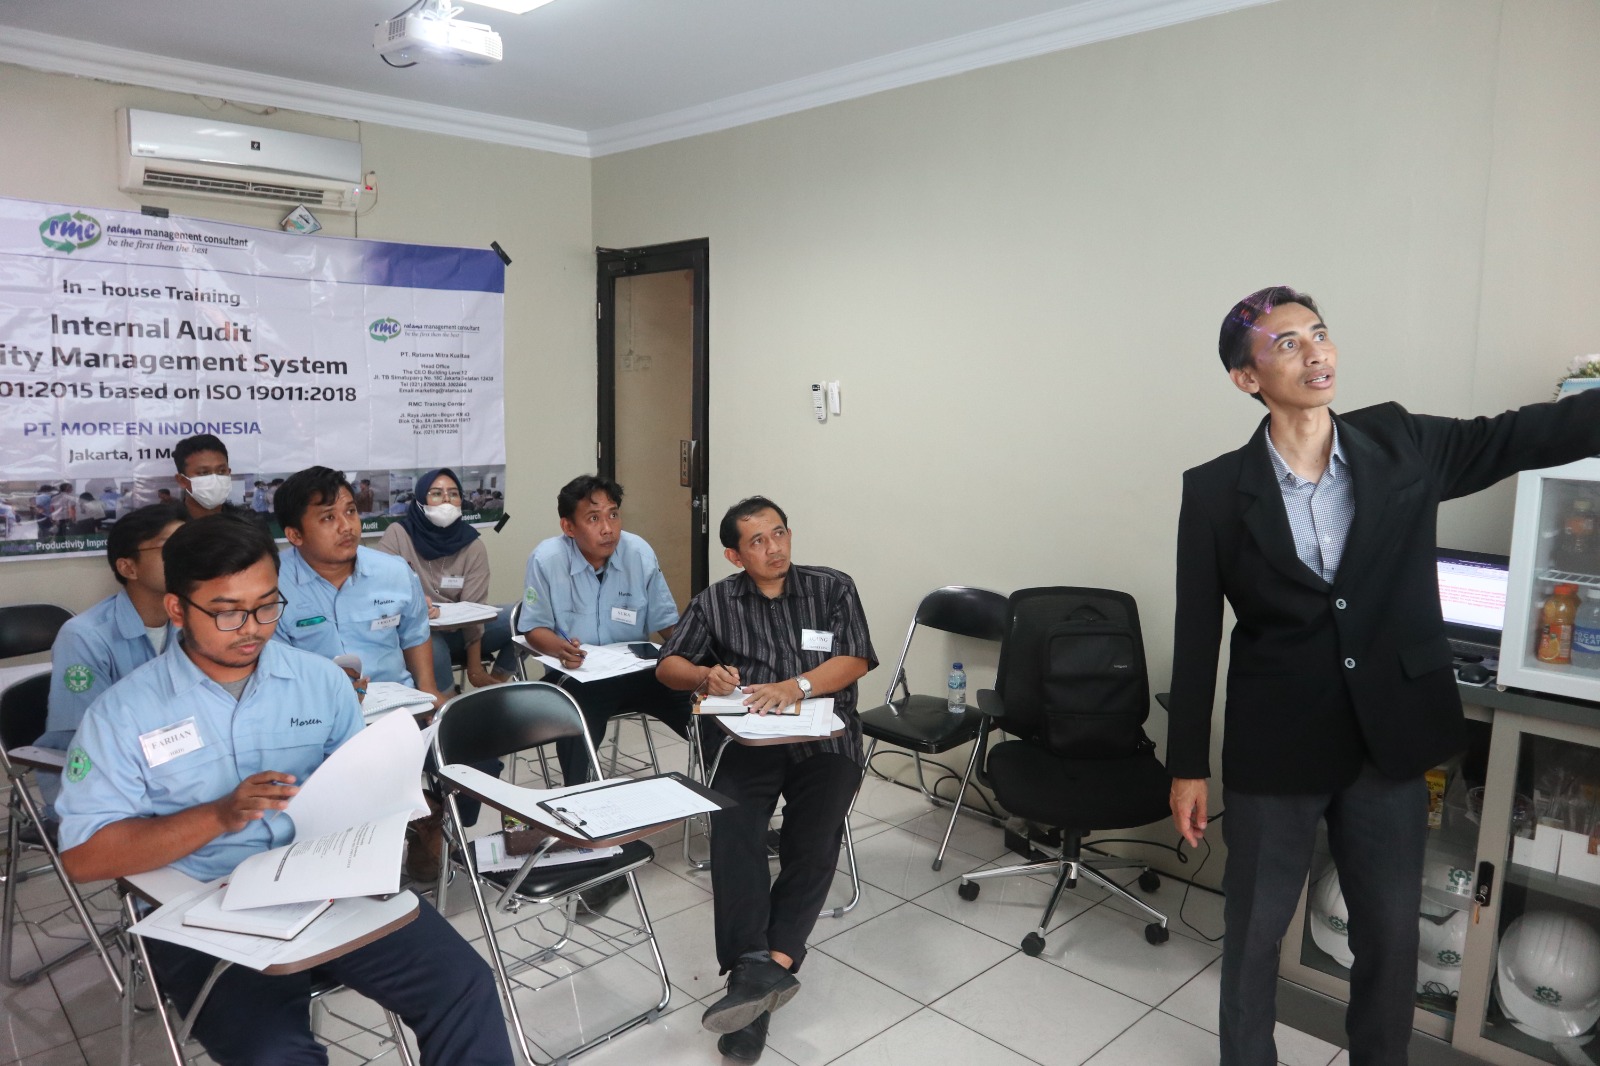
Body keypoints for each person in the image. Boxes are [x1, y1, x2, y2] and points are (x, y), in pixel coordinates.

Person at [1167, 286, 1600, 1066]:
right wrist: (1187, 765)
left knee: (1391, 939)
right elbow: (1197, 636)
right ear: (1247, 378)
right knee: (1255, 936)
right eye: (1287, 343)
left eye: (1319, 333)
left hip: (1387, 743)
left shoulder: (1399, 441)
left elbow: (1517, 436)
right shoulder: (1214, 491)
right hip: (1277, 748)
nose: (1315, 351)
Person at [55, 516, 514, 1066]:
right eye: (227, 612)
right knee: (276, 1056)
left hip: (328, 888)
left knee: (463, 987)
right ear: (177, 609)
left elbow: (359, 793)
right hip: (203, 905)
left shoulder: (320, 683)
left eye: (267, 606)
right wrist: (218, 816)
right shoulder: (123, 713)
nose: (252, 628)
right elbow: (84, 857)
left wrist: (391, 807)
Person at [657, 496, 876, 1064]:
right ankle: (759, 972)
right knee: (734, 827)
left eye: (780, 533)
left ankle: (759, 976)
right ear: (735, 555)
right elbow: (668, 666)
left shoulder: (832, 588)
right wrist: (704, 674)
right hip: (748, 739)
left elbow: (855, 659)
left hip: (825, 737)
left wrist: (794, 687)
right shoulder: (716, 602)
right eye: (757, 541)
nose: (774, 547)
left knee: (815, 834)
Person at [518, 474, 691, 788]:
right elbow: (533, 628)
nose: (608, 528)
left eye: (613, 514)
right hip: (579, 675)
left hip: (637, 672)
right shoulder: (547, 560)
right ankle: (578, 798)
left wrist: (695, 663)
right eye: (593, 518)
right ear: (569, 527)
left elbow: (667, 623)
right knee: (575, 713)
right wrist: (560, 649)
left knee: (696, 701)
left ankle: (723, 776)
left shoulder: (638, 553)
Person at [39, 501, 188, 806]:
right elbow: (92, 739)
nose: (189, 557)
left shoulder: (192, 623)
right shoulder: (84, 636)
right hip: (99, 780)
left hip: (175, 765)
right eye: (170, 548)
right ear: (128, 567)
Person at [270, 466, 443, 703]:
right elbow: (275, 667)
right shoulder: (272, 584)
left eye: (350, 511)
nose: (347, 527)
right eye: (328, 517)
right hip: (315, 708)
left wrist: (428, 691)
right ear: (295, 535)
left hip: (396, 704)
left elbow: (415, 635)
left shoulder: (394, 571)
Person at [376, 468, 518, 694]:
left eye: (453, 494)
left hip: (459, 633)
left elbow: (474, 612)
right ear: (420, 500)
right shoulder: (398, 535)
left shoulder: (472, 545)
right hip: (415, 632)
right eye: (436, 493)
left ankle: (495, 688)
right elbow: (381, 590)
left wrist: (475, 668)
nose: (446, 500)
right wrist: (416, 607)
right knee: (432, 644)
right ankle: (449, 705)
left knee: (523, 616)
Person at [172, 434, 240, 520]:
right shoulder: (167, 525)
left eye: (221, 471)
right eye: (204, 473)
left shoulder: (247, 522)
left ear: (229, 473)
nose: (215, 480)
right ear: (182, 480)